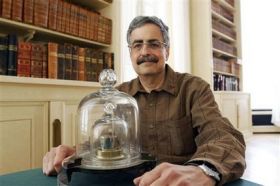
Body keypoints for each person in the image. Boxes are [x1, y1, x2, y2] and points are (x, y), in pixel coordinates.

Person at [43, 16, 246, 186]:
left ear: (167, 50)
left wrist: (203, 171)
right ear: (130, 53)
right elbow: (107, 143)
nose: (145, 52)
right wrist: (78, 153)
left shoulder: (193, 88)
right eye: (137, 45)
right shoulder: (118, 95)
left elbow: (223, 138)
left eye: (154, 44)